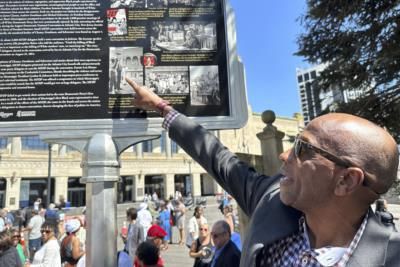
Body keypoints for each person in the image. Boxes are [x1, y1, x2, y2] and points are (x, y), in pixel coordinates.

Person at [126, 78, 400, 267]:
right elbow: (217, 156)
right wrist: (160, 107)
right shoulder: (270, 199)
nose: (284, 155)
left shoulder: (391, 256)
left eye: (302, 148)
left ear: (346, 180)